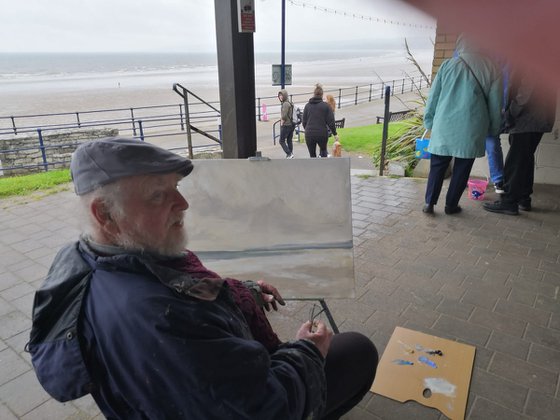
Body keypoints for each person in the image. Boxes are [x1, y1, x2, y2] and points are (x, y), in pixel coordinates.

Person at [27, 137, 378, 419]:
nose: (183, 203)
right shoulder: (162, 318)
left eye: (175, 187)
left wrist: (244, 291)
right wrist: (309, 351)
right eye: (158, 194)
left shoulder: (84, 258)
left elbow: (181, 287)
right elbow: (267, 407)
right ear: (105, 213)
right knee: (358, 350)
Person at [422, 35, 503, 215]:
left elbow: (433, 98)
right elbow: (496, 105)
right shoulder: (492, 68)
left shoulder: (447, 65)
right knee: (462, 168)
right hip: (472, 127)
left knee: (437, 165)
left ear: (461, 44)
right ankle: (451, 205)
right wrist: (494, 128)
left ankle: (429, 203)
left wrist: (428, 120)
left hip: (444, 124)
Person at [483, 72, 557, 215]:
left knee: (515, 161)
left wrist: (511, 112)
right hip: (537, 118)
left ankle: (509, 202)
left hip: (528, 119)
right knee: (525, 159)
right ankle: (524, 198)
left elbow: (526, 90)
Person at [303, 84, 339, 158]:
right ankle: (323, 167)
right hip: (322, 133)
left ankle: (314, 169)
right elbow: (331, 122)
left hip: (309, 133)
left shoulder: (307, 106)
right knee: (323, 152)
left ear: (314, 94)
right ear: (322, 95)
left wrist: (307, 129)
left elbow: (304, 122)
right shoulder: (326, 106)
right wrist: (335, 134)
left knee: (312, 155)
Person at [278, 89, 295, 158]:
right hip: (291, 124)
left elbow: (284, 116)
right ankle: (290, 153)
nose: (280, 97)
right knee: (289, 140)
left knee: (281, 141)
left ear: (284, 96)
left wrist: (282, 122)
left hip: (286, 125)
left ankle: (289, 153)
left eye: (281, 95)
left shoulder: (285, 104)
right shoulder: (289, 102)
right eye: (279, 96)